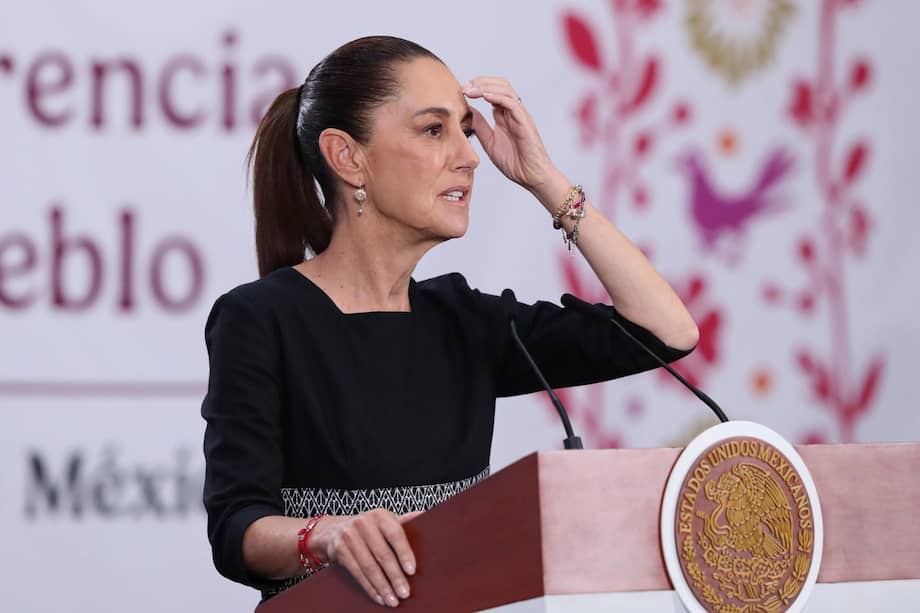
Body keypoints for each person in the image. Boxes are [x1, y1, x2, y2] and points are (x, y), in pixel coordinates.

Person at [201, 35, 698, 608]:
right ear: (347, 157)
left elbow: (667, 332)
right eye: (434, 130)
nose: (467, 155)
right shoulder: (260, 318)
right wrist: (327, 535)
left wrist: (544, 179)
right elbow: (237, 529)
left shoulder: (465, 318)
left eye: (465, 129)